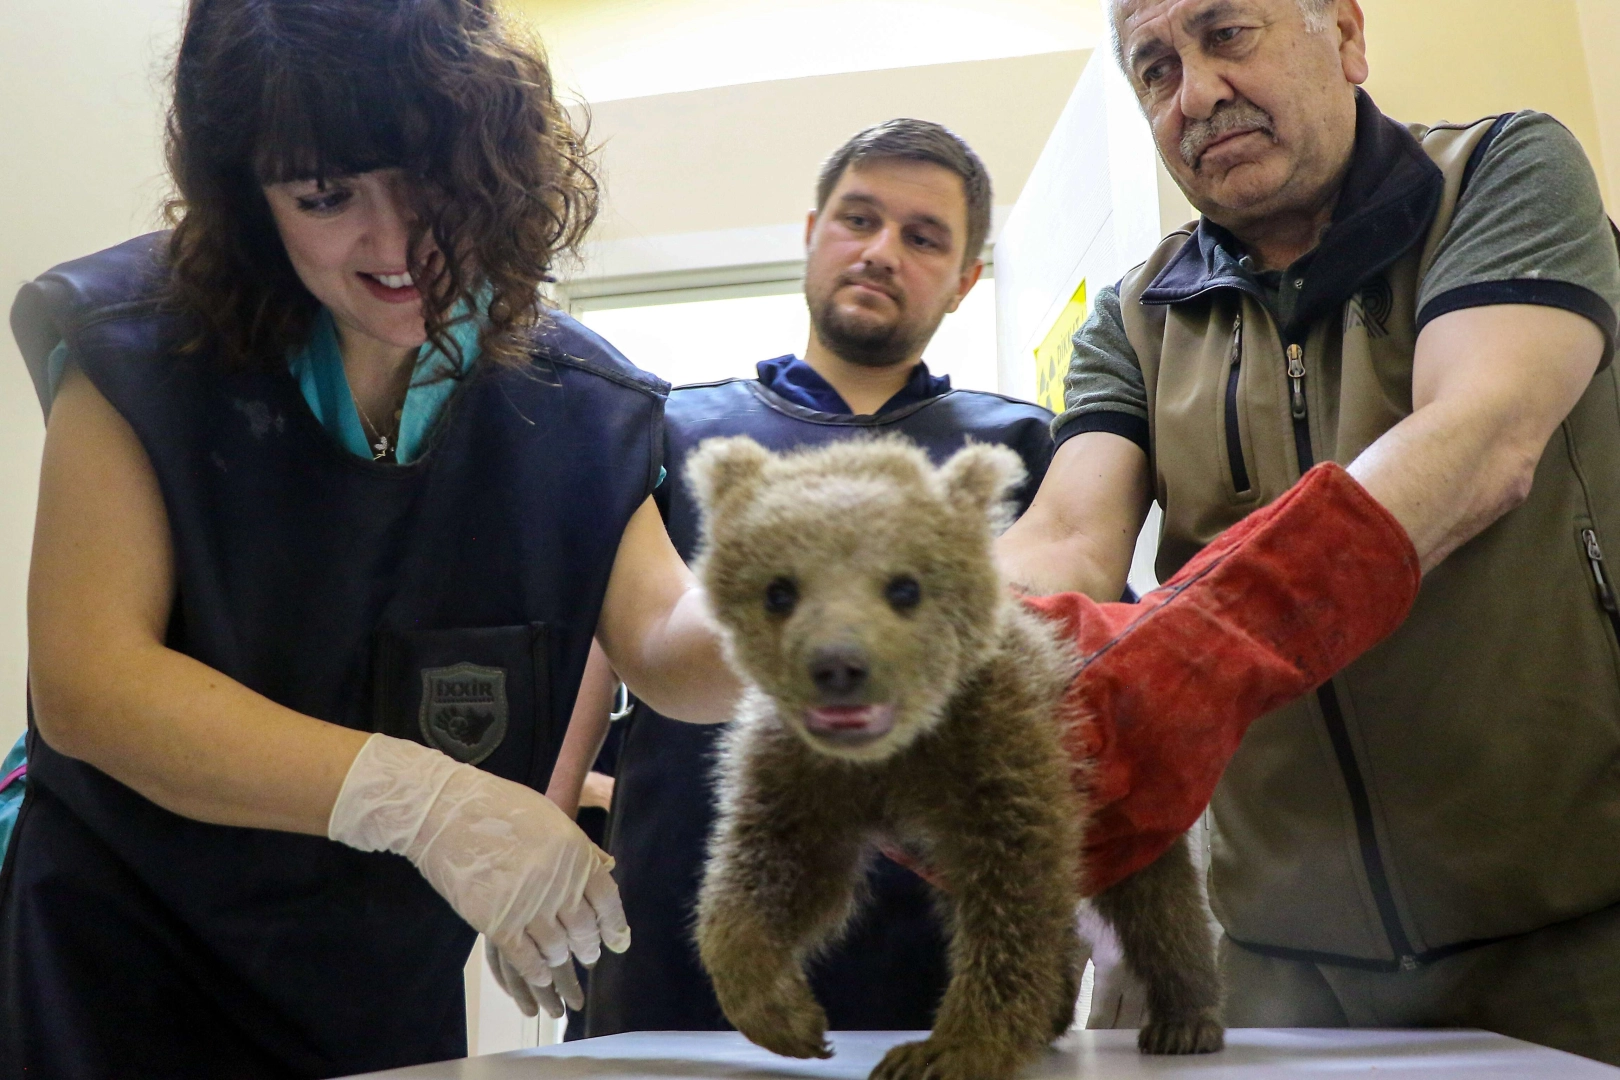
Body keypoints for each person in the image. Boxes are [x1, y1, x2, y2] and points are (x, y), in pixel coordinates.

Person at [0, 2, 740, 1076]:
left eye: (429, 179)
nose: (395, 244)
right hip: (114, 961)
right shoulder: (138, 347)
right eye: (325, 195)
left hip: (371, 985)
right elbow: (91, 684)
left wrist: (825, 635)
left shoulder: (574, 401)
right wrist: (425, 802)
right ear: (250, 197)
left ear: (498, 161)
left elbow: (668, 641)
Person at [998, 0, 1620, 1062]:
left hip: (1576, 935)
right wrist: (957, 672)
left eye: (1226, 33)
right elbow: (1066, 534)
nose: (1194, 93)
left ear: (1344, 33)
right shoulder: (1134, 316)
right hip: (1274, 966)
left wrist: (1200, 644)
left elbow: (1479, 438)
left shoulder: (1504, 170)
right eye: (1154, 68)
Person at [575, 120, 1058, 1038]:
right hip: (679, 921)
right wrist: (549, 816)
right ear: (811, 231)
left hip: (934, 946)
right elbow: (602, 646)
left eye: (924, 238)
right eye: (859, 218)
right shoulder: (675, 431)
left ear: (966, 281)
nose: (881, 252)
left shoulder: (1016, 450)